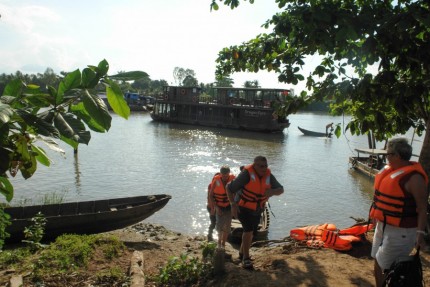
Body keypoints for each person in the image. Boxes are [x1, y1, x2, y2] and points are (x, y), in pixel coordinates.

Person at [369, 138, 428, 287]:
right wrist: (376, 217)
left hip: (402, 230)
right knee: (377, 259)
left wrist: (420, 234)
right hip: (384, 224)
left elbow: (422, 208)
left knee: (383, 264)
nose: (386, 157)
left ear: (397, 156)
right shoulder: (391, 170)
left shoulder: (414, 178)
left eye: (388, 153)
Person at [226, 156, 284, 269]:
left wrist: (272, 191)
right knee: (248, 231)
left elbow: (281, 189)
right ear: (255, 165)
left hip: (258, 208)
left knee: (251, 232)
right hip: (243, 207)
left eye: (266, 166)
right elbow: (229, 188)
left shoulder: (268, 175)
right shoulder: (246, 174)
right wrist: (232, 205)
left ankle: (242, 254)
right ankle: (246, 259)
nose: (264, 168)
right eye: (261, 166)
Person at [208, 165, 236, 249]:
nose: (224, 177)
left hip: (228, 206)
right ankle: (219, 242)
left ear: (229, 173)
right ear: (220, 174)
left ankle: (223, 243)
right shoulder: (216, 180)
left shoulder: (233, 179)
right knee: (219, 225)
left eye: (226, 175)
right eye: (223, 175)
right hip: (219, 206)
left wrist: (234, 205)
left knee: (227, 226)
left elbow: (238, 191)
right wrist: (215, 207)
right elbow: (211, 195)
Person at [206, 172, 220, 241]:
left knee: (218, 222)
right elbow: (209, 197)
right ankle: (209, 235)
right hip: (211, 207)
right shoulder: (211, 185)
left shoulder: (222, 186)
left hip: (218, 207)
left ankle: (218, 236)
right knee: (213, 222)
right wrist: (212, 208)